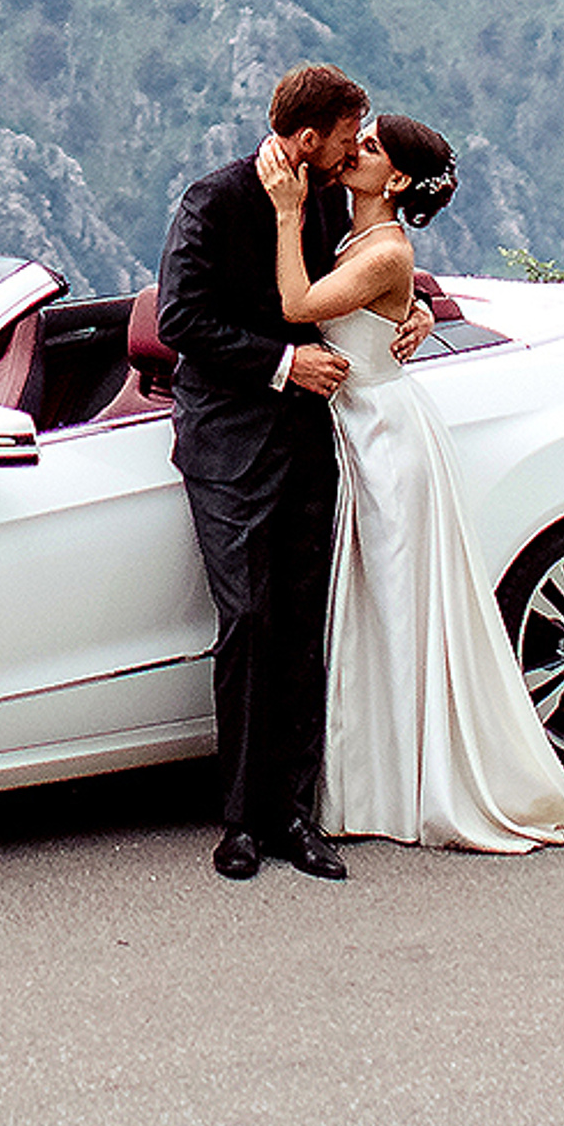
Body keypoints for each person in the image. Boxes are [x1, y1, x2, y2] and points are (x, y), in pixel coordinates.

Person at [259, 111, 564, 855]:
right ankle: (374, 781)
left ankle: (412, 784)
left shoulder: (383, 247)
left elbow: (299, 307)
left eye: (365, 149)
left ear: (393, 179)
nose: (349, 152)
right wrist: (419, 310)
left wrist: (286, 214)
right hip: (361, 426)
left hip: (387, 438)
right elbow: (391, 294)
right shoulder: (364, 236)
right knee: (370, 610)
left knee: (398, 607)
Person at [154, 60, 431, 882]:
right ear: (307, 139)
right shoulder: (214, 200)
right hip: (229, 440)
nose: (354, 153)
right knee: (246, 621)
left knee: (306, 623)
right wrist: (283, 365)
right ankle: (238, 822)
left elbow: (371, 271)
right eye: (347, 139)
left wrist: (412, 309)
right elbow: (180, 320)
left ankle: (293, 815)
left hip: (315, 441)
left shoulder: (321, 206)